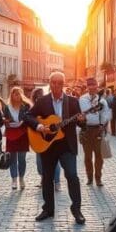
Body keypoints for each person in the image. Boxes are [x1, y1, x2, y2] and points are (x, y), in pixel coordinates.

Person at [24, 71, 85, 223]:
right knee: (47, 178)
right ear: (50, 84)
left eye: (59, 82)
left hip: (67, 145)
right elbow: (27, 116)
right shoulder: (42, 101)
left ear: (64, 84)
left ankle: (77, 210)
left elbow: (80, 123)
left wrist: (82, 120)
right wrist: (39, 126)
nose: (56, 85)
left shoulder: (72, 101)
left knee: (72, 175)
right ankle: (48, 209)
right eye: (53, 82)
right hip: (47, 145)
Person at [78, 77, 111, 187]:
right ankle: (89, 178)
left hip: (98, 129)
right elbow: (79, 114)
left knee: (99, 156)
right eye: (90, 85)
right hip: (86, 129)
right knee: (87, 156)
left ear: (97, 86)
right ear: (87, 87)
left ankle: (98, 178)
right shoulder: (82, 99)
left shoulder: (102, 101)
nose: (92, 87)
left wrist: (102, 125)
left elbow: (106, 114)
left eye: (94, 85)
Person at [31, 88, 62, 191]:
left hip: (51, 137)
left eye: (41, 97)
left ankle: (57, 181)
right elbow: (29, 119)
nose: (39, 99)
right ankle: (44, 178)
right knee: (39, 162)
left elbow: (55, 120)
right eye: (37, 97)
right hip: (38, 138)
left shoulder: (50, 106)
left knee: (54, 161)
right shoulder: (32, 109)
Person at [4, 86, 31, 190]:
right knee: (12, 158)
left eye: (19, 94)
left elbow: (29, 118)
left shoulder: (26, 106)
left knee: (22, 159)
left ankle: (21, 178)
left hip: (23, 134)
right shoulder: (7, 107)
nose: (17, 96)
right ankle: (14, 179)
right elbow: (5, 119)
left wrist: (23, 122)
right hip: (11, 133)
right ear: (11, 95)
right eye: (15, 94)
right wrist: (6, 121)